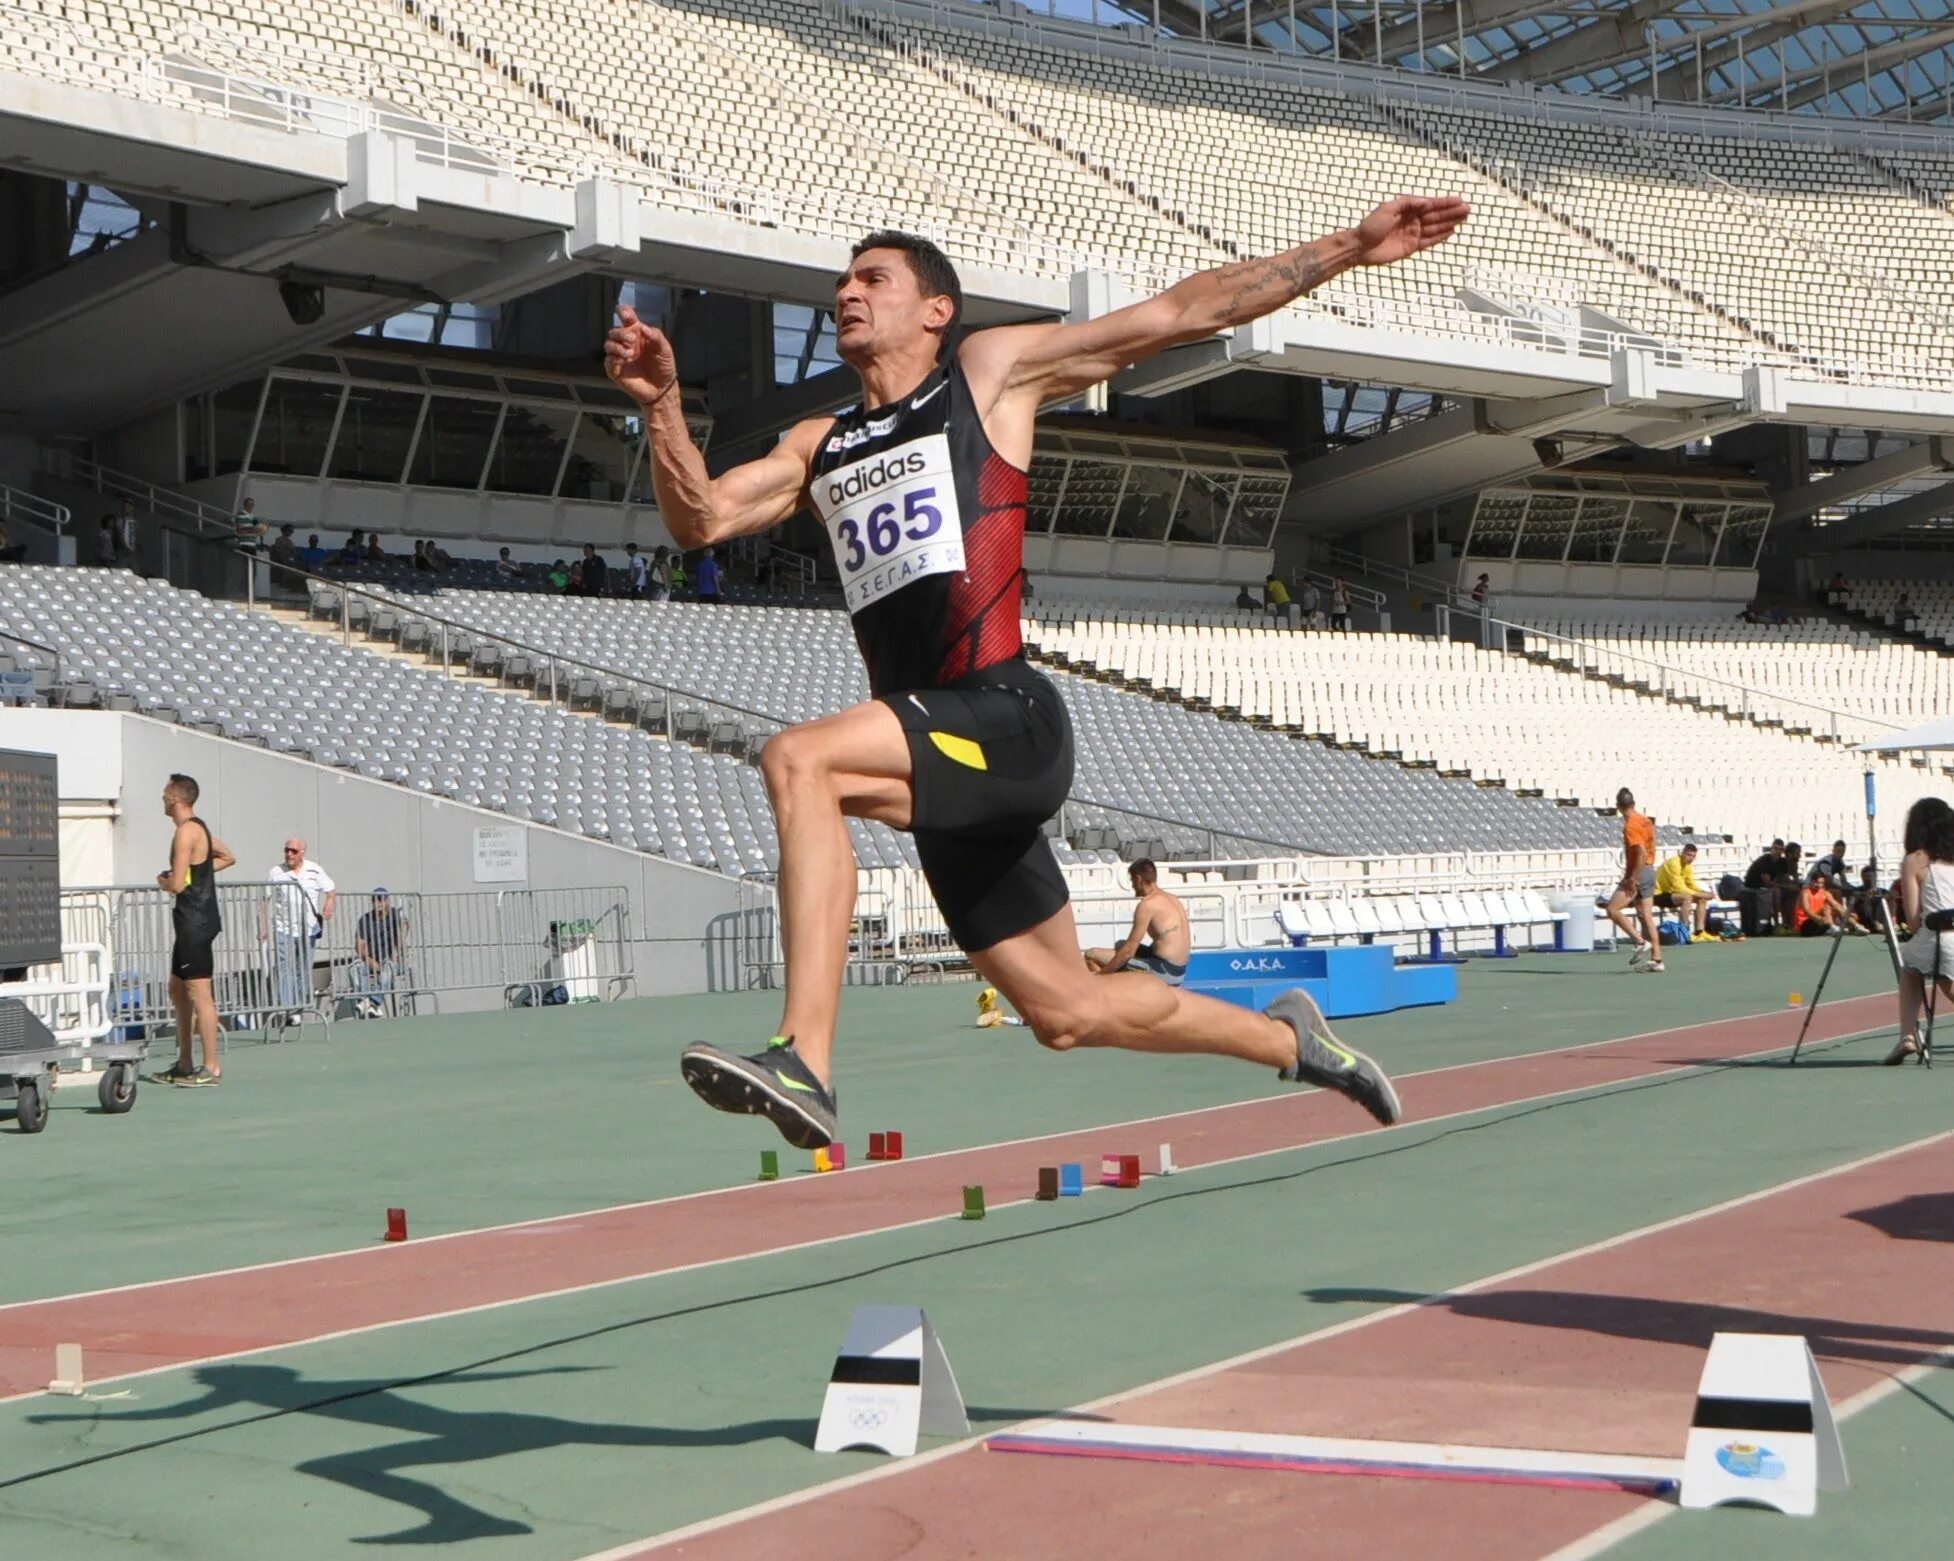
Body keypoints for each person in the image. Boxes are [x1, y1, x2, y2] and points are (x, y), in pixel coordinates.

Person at [608, 200, 1471, 1145]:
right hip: (939, 747)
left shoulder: (988, 377)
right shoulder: (822, 444)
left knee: (798, 760)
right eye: (842, 283)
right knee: (1067, 1013)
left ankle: (804, 1057)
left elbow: (1181, 313)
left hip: (1003, 715)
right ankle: (1294, 1042)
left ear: (937, 311)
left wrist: (1348, 245)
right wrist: (662, 408)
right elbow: (701, 521)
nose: (845, 294)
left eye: (872, 280)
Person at [155, 774, 235, 1087]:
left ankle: (212, 1066)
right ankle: (185, 1062)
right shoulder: (198, 828)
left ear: (175, 798)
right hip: (190, 920)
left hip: (195, 922)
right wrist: (196, 873)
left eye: (165, 792)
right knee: (177, 989)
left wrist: (167, 880)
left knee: (199, 992)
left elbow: (176, 884)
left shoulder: (186, 833)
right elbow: (227, 857)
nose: (162, 797)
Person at [1891, 797, 1954, 1064]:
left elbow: (1915, 920)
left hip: (1938, 934)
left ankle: (1907, 1034)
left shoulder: (1915, 860)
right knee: (1945, 979)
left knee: (1911, 969)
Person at [261, 838, 335, 1018]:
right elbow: (265, 900)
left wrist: (329, 903)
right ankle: (290, 1010)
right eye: (287, 850)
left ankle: (300, 1006)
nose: (289, 854)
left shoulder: (314, 870)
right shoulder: (275, 872)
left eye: (293, 851)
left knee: (303, 969)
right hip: (283, 928)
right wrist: (264, 927)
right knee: (285, 969)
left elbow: (330, 889)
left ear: (302, 852)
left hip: (307, 929)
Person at [1085, 859, 1191, 985]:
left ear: (1139, 879)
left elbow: (1128, 952)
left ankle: (1108, 997)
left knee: (1091, 955)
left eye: (1132, 880)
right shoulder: (1172, 899)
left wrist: (1100, 975)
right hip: (1178, 970)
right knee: (1120, 945)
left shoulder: (1147, 905)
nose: (1132, 885)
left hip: (1163, 972)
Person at [1606, 786, 1662, 971]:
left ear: (1618, 806)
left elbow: (1640, 851)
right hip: (1649, 869)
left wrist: (1632, 878)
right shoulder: (1645, 820)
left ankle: (1639, 941)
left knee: (1613, 909)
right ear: (1633, 803)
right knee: (1646, 915)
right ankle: (1657, 959)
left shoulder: (1631, 825)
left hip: (1639, 871)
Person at [353, 888, 409, 1018]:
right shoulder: (365, 920)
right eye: (376, 900)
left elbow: (402, 937)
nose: (379, 903)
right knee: (355, 968)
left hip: (389, 960)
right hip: (370, 960)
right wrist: (369, 960)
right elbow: (359, 947)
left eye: (382, 899)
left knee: (388, 968)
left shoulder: (395, 915)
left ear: (388, 901)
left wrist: (399, 954)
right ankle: (365, 1000)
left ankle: (373, 1002)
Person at [1654, 842, 1715, 942]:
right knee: (1687, 898)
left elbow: (1690, 883)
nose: (1691, 858)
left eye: (1693, 856)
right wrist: (1698, 893)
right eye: (1689, 855)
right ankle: (1684, 931)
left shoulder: (1688, 866)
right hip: (1659, 894)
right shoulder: (1673, 863)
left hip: (1672, 894)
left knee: (1702, 899)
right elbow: (1677, 887)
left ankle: (1699, 932)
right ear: (1682, 853)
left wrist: (1703, 892)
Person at [1794, 872, 1845, 937]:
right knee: (1826, 908)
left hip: (1819, 924)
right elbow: (1807, 910)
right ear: (1811, 881)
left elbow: (1836, 905)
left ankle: (1853, 926)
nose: (1819, 885)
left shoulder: (1825, 893)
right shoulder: (1805, 892)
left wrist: (1849, 917)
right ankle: (1831, 927)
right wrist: (1820, 919)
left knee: (1832, 907)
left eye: (1821, 883)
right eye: (1816, 882)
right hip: (1804, 926)